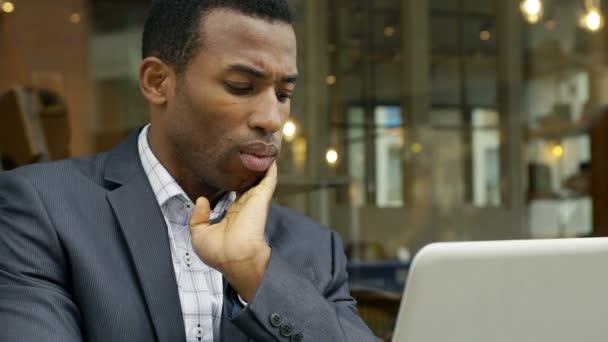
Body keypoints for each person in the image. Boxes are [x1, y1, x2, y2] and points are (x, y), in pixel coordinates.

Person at [0, 1, 378, 341]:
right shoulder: (41, 211)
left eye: (283, 95)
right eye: (241, 86)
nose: (271, 119)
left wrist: (254, 272)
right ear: (157, 82)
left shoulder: (314, 248)